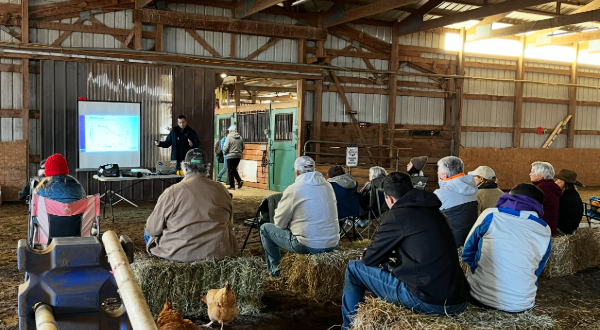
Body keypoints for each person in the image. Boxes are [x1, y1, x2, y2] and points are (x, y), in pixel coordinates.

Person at [341, 172, 470, 330]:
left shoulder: (396, 215)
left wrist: (373, 253)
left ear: (389, 198)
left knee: (354, 269)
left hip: (428, 301)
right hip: (459, 299)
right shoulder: (436, 212)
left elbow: (368, 260)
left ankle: (348, 327)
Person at [462, 183, 551, 313]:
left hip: (479, 297)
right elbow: (538, 269)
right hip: (522, 304)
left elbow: (467, 252)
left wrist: (479, 268)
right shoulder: (544, 229)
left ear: (509, 195)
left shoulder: (491, 215)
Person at [144, 149, 238, 263]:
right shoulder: (222, 190)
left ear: (185, 167)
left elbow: (152, 229)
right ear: (206, 168)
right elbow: (230, 223)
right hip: (219, 255)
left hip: (178, 255)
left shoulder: (172, 192)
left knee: (148, 233)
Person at [259, 156, 339, 277]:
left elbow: (279, 223)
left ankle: (275, 272)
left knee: (265, 229)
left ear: (296, 172)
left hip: (308, 245)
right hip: (333, 243)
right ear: (314, 170)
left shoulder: (294, 189)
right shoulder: (328, 186)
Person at [434, 156, 478, 247]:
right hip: (470, 241)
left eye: (438, 171)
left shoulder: (440, 194)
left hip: (450, 243)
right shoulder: (472, 189)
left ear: (444, 175)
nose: (437, 173)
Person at [530, 161, 562, 236]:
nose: (530, 174)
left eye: (532, 172)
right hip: (549, 227)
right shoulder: (550, 186)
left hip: (541, 229)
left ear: (540, 175)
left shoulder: (541, 188)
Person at [555, 169, 584, 235]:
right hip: (568, 229)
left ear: (563, 182)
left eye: (557, 180)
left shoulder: (568, 197)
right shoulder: (572, 194)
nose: (555, 182)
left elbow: (557, 214)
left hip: (563, 230)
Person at [223, 125, 244, 190]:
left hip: (230, 156)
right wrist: (239, 152)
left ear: (231, 131)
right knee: (233, 169)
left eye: (229, 130)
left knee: (230, 171)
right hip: (238, 156)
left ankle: (232, 185)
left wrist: (224, 152)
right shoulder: (240, 137)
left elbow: (226, 146)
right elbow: (243, 146)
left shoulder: (229, 137)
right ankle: (239, 180)